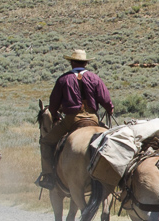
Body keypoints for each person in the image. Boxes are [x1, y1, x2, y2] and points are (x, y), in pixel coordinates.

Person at [38, 49, 113, 188]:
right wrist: (110, 109)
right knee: (113, 140)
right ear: (85, 63)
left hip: (72, 119)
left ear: (71, 62)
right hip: (93, 118)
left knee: (46, 142)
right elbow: (106, 99)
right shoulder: (95, 78)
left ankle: (48, 176)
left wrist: (54, 114)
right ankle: (116, 177)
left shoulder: (63, 79)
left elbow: (53, 103)